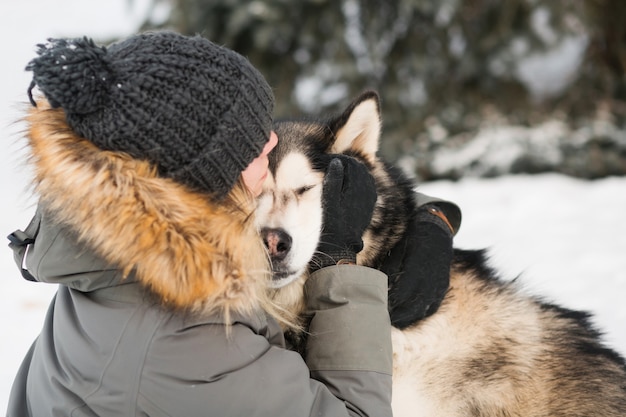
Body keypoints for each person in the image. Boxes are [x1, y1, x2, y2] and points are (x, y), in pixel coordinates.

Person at [6, 31, 393, 417]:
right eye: (256, 147)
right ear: (208, 181)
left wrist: (415, 216)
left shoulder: (113, 255)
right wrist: (342, 271)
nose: (273, 143)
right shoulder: (191, 344)